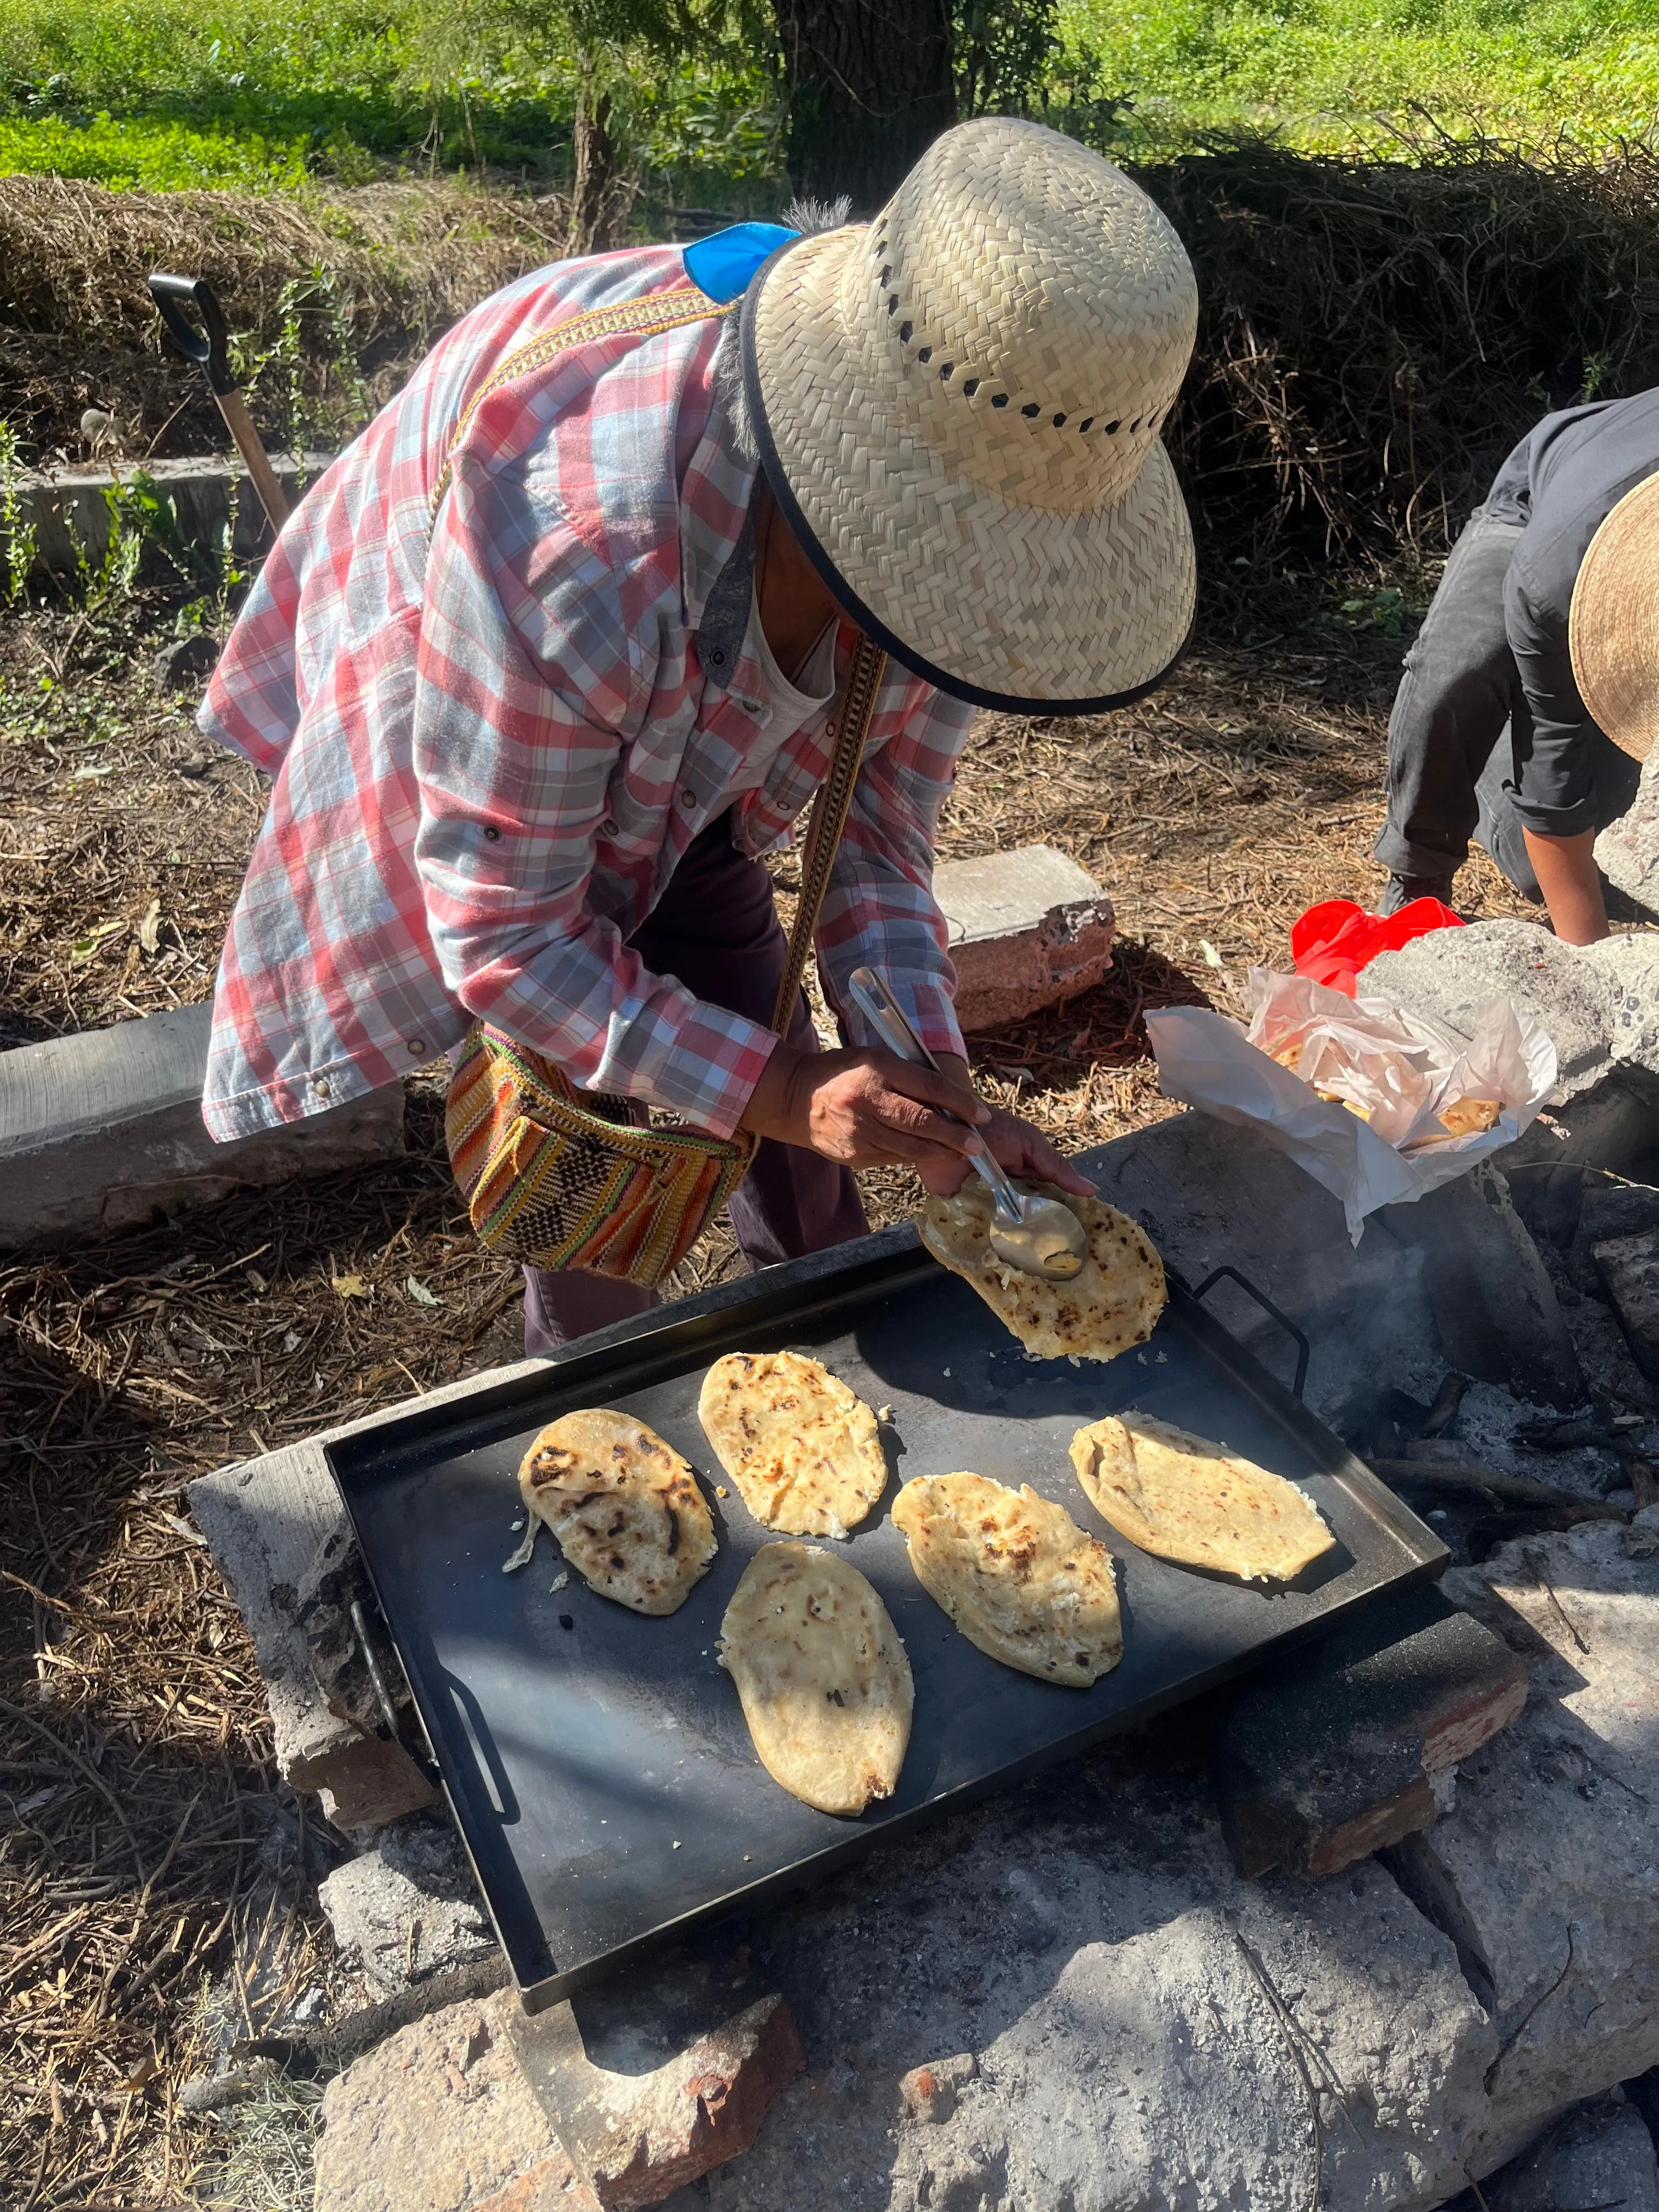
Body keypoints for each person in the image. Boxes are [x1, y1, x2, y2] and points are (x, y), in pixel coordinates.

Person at [196, 116, 1200, 1353]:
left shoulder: (990, 526)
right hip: (503, 689)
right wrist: (778, 1091)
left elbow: (877, 843)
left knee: (765, 1052)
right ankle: (592, 1365)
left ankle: (811, 1309)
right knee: (592, 1139)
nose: (969, 598)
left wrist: (931, 1083)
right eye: (945, 566)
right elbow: (513, 938)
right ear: (853, 479)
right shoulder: (572, 543)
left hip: (679, 743)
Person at [1373, 388, 1659, 944]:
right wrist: (1597, 976)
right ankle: (1420, 871)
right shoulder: (1554, 581)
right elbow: (1556, 792)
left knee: (1595, 865)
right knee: (1458, 673)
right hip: (1535, 507)